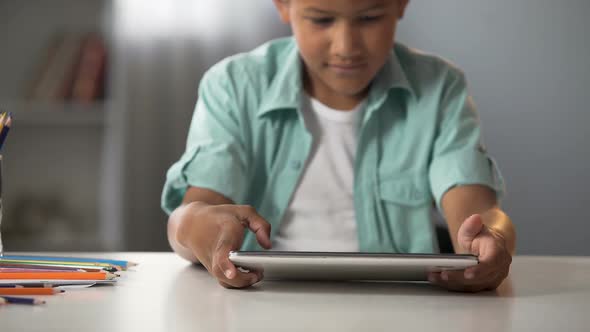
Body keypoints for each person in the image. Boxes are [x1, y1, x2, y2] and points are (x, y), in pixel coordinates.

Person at [161, 0, 516, 292]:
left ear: (401, 5)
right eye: (322, 19)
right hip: (259, 298)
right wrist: (198, 225)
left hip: (401, 306)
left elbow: (481, 213)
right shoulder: (233, 86)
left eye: (370, 17)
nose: (346, 46)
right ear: (283, 6)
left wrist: (491, 241)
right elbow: (190, 217)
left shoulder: (440, 88)